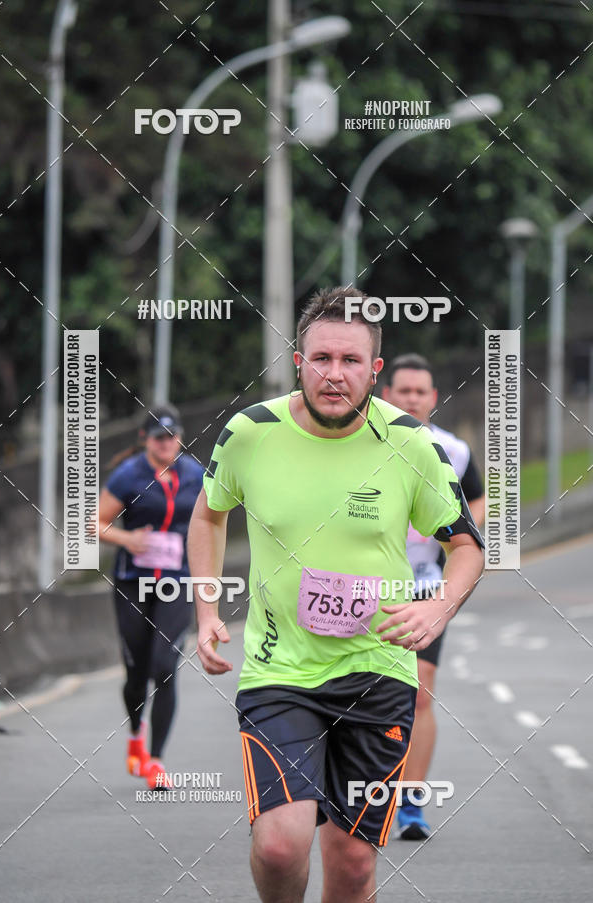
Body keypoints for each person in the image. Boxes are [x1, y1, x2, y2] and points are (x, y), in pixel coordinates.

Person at [187, 287, 484, 903]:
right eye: (321, 358)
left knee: (351, 866)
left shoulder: (411, 444)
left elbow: (467, 545)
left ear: (374, 371)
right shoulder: (251, 433)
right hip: (280, 670)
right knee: (278, 845)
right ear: (298, 359)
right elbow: (208, 515)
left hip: (377, 672)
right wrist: (209, 609)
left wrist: (439, 605)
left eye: (351, 362)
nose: (334, 375)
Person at [382, 353, 485, 840]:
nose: (412, 399)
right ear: (387, 394)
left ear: (433, 398)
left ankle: (411, 803)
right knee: (370, 697)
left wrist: (456, 530)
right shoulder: (363, 444)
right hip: (366, 589)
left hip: (425, 587)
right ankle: (365, 793)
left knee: (420, 695)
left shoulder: (454, 451)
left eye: (421, 392)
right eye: (404, 391)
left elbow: (479, 499)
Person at [98, 404, 204, 790]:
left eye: (173, 436)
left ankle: (156, 761)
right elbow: (94, 522)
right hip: (133, 581)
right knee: (136, 669)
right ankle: (135, 733)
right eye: (159, 436)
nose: (167, 443)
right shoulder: (129, 475)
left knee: (164, 665)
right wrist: (128, 539)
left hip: (176, 581)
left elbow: (213, 519)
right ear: (146, 438)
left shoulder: (195, 474)